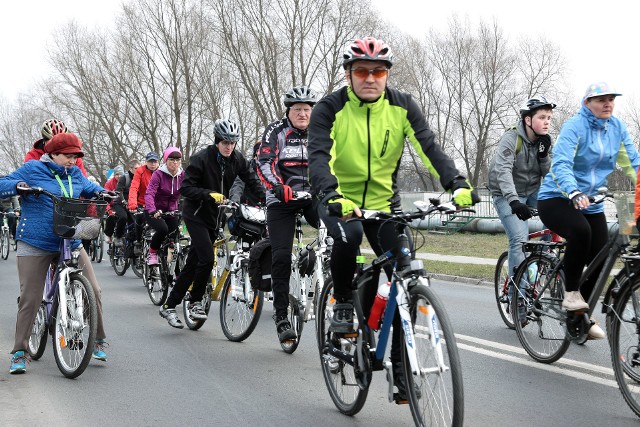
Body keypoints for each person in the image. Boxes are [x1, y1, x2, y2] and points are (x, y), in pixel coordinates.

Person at [307, 36, 478, 401]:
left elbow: (428, 146)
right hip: (340, 199)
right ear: (349, 74)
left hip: (385, 203)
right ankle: (343, 304)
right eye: (362, 71)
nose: (371, 78)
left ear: (387, 75)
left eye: (378, 71)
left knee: (405, 273)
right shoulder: (329, 109)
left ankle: (401, 370)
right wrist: (331, 193)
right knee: (349, 238)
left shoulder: (402, 106)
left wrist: (457, 183)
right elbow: (318, 156)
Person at [0, 132, 113, 373]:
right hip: (36, 240)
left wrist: (104, 192)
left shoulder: (75, 173)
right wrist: (18, 186)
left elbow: (90, 187)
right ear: (52, 154)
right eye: (68, 156)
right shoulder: (32, 169)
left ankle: (97, 340)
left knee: (93, 289)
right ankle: (19, 352)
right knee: (30, 297)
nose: (73, 161)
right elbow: (2, 184)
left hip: (70, 238)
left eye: (76, 156)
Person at [538, 82, 640, 340]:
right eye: (601, 99)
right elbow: (561, 162)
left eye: (611, 99)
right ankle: (571, 294)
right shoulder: (575, 126)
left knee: (602, 256)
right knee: (581, 232)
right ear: (587, 103)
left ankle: (578, 315)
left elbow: (632, 164)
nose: (608, 104)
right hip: (558, 197)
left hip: (591, 201)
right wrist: (573, 191)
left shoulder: (616, 128)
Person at [159, 119, 265, 328]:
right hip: (195, 214)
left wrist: (267, 200)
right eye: (225, 142)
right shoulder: (201, 159)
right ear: (217, 141)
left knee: (193, 263)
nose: (229, 147)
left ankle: (169, 306)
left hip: (215, 217)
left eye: (233, 143)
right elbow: (186, 189)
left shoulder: (237, 160)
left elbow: (252, 181)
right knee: (207, 258)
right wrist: (209, 194)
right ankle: (196, 302)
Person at [256, 86, 320, 342]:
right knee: (281, 256)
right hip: (283, 199)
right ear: (289, 111)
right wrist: (277, 187)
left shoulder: (321, 131)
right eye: (298, 110)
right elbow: (263, 163)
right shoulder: (276, 131)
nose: (303, 114)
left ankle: (340, 303)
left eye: (307, 109)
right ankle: (281, 316)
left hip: (313, 197)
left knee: (341, 234)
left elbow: (335, 162)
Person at [487, 96, 556, 324]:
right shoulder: (511, 139)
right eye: (542, 117)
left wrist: (544, 155)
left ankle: (541, 267)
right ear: (528, 119)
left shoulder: (545, 140)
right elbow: (503, 172)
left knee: (549, 234)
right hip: (507, 193)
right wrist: (515, 201)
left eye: (549, 118)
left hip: (533, 190)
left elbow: (549, 172)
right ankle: (517, 296)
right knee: (519, 239)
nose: (547, 122)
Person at [144, 147, 184, 266]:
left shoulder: (182, 175)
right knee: (163, 229)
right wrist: (152, 210)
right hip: (154, 210)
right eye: (172, 159)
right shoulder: (158, 174)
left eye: (178, 159)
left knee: (174, 236)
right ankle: (152, 253)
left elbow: (188, 191)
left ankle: (175, 271)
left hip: (172, 211)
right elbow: (149, 193)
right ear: (166, 160)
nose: (175, 162)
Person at [127, 152, 160, 243]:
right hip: (142, 202)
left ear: (158, 162)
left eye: (155, 162)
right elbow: (134, 188)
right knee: (139, 218)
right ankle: (138, 241)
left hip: (157, 203)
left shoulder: (162, 172)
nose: (153, 164)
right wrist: (133, 204)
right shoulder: (140, 171)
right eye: (150, 162)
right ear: (146, 162)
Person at [113, 160, 141, 248]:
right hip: (120, 203)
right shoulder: (124, 177)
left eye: (139, 168)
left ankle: (134, 242)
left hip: (133, 204)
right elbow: (119, 191)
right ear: (130, 169)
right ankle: (118, 237)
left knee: (136, 222)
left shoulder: (141, 177)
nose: (138, 170)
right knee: (123, 217)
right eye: (136, 168)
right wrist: (123, 201)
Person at [229, 140, 264, 206]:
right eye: (263, 151)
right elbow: (238, 184)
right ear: (256, 152)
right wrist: (235, 199)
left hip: (267, 208)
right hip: (248, 207)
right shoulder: (247, 167)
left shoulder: (274, 171)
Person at [103, 165, 125, 244]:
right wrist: (108, 209)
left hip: (122, 204)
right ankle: (108, 234)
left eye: (121, 174)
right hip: (112, 205)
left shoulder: (126, 181)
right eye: (117, 174)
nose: (119, 176)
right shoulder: (109, 183)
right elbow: (105, 199)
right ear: (114, 175)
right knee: (111, 217)